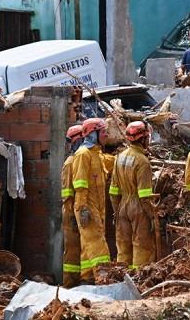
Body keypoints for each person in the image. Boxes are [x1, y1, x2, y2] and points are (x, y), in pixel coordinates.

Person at [109, 121, 155, 269]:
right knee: (142, 247)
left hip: (122, 206)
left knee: (123, 247)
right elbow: (145, 196)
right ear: (143, 139)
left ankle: (122, 276)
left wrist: (117, 211)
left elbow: (113, 191)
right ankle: (139, 278)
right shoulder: (142, 161)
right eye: (147, 137)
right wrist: (152, 216)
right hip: (138, 208)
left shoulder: (119, 158)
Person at [72, 118, 112, 284]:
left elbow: (111, 162)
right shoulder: (83, 154)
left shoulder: (97, 154)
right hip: (87, 207)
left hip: (97, 208)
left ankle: (87, 280)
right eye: (103, 132)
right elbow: (80, 184)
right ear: (93, 134)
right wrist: (83, 208)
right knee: (98, 246)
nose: (106, 135)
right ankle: (105, 280)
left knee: (88, 246)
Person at [61, 125, 83, 287]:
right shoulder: (70, 163)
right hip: (70, 213)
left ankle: (79, 283)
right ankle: (69, 284)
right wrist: (71, 215)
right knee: (72, 250)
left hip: (76, 211)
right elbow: (67, 194)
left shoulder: (79, 160)